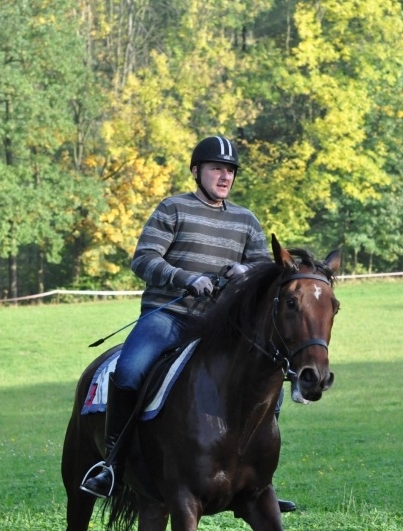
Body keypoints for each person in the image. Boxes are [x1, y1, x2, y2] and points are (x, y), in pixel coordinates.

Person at [81, 135, 297, 512]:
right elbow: (143, 259)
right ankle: (111, 465)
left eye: (230, 170)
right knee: (130, 370)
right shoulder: (172, 209)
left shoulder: (246, 220)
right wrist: (184, 279)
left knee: (270, 381)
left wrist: (245, 270)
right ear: (196, 171)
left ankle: (257, 478)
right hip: (170, 317)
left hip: (222, 329)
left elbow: (265, 271)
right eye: (217, 168)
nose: (225, 176)